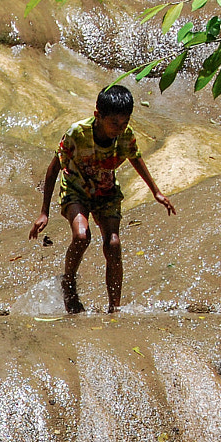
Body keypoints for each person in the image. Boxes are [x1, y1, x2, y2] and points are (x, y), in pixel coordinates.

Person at [30, 84, 177, 314]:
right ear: (98, 115)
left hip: (105, 192)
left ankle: (114, 309)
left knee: (114, 244)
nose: (119, 129)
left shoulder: (125, 136)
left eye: (124, 122)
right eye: (114, 123)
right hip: (76, 189)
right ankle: (68, 285)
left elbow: (135, 158)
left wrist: (156, 191)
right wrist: (44, 211)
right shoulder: (76, 134)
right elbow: (53, 168)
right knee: (81, 235)